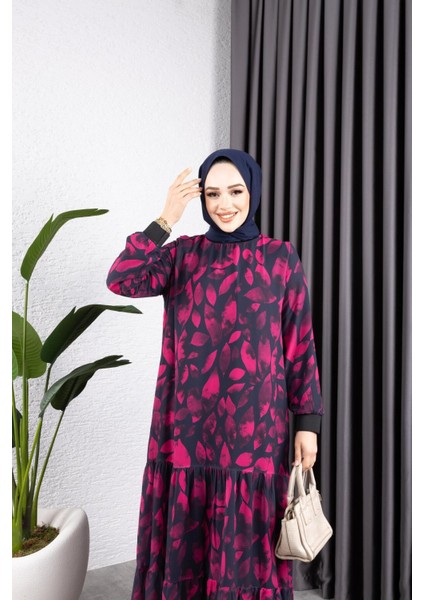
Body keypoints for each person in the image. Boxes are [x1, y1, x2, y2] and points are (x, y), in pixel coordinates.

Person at [106, 148, 324, 600]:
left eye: (236, 191)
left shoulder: (280, 259)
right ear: (202, 200)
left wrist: (307, 424)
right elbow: (122, 279)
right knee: (188, 544)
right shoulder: (182, 255)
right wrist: (166, 218)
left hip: (255, 432)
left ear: (253, 192)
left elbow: (299, 345)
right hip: (187, 430)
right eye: (212, 194)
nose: (224, 204)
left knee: (247, 548)